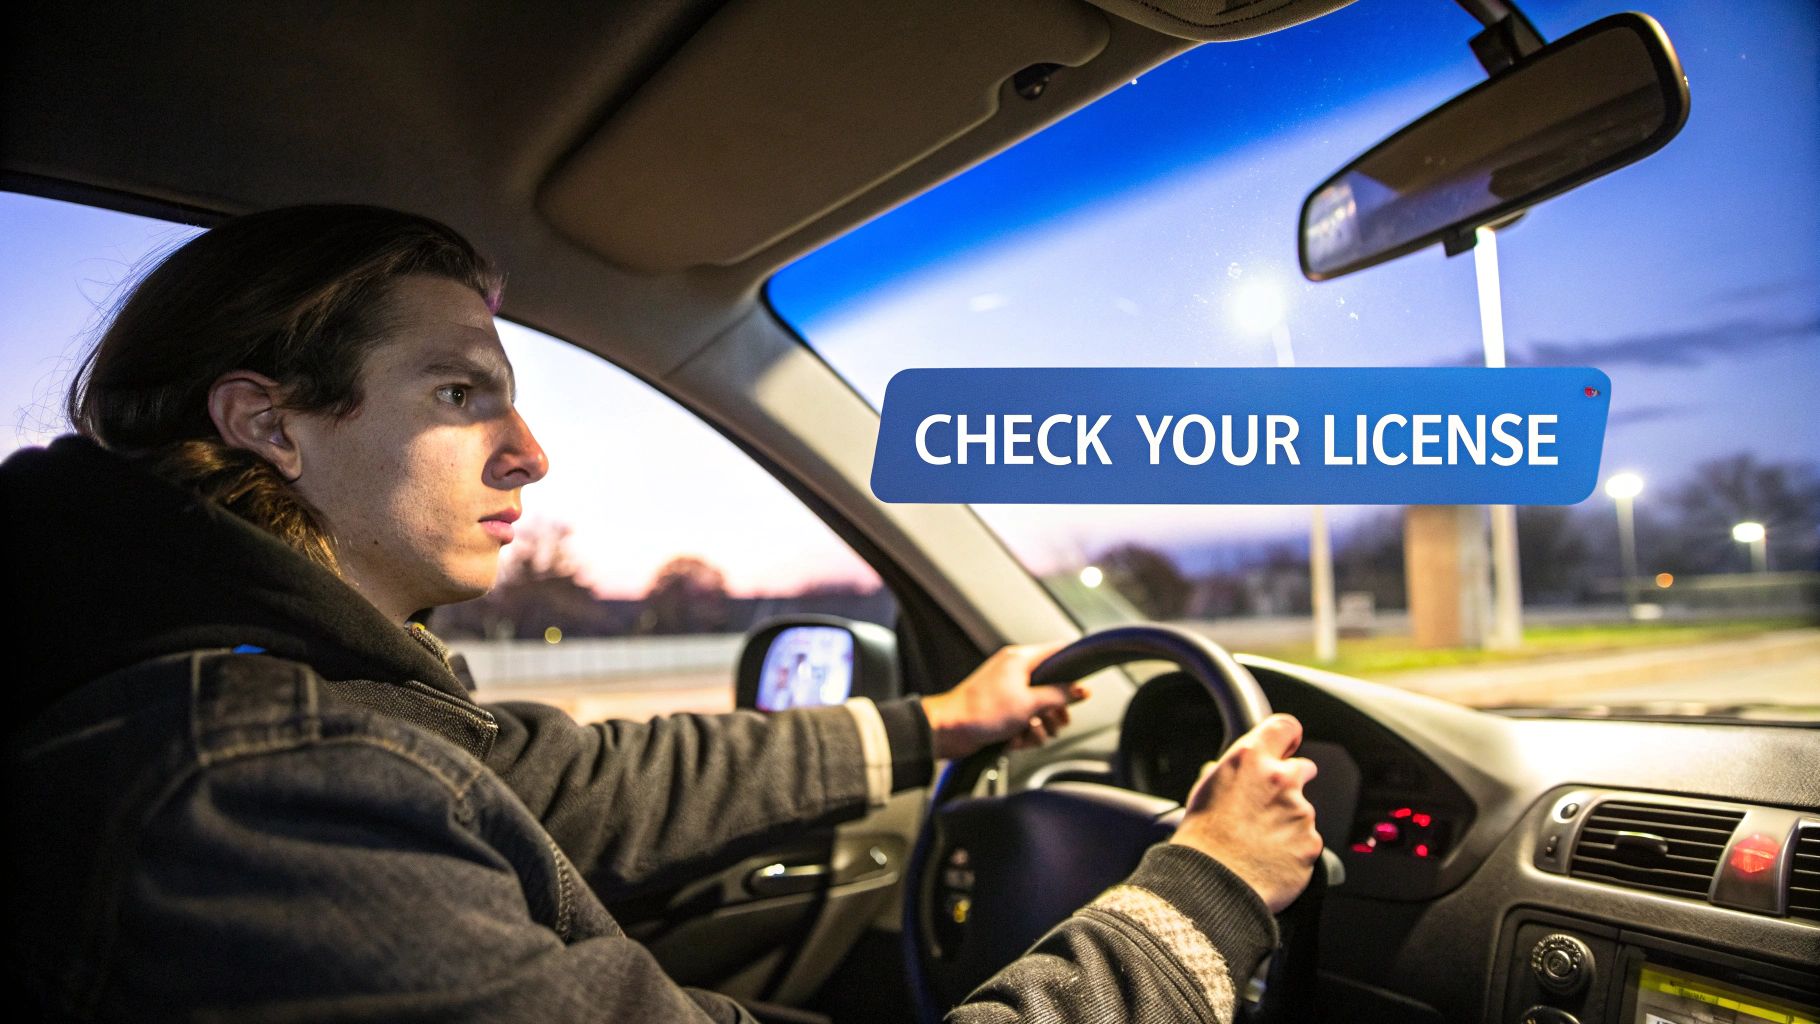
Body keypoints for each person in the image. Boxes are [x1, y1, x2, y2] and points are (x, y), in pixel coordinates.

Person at [3, 205, 1322, 1022]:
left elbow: (576, 783)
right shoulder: (244, 793)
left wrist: (943, 721)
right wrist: (1199, 897)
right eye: (461, 391)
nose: (529, 449)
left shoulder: (275, 698)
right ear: (266, 422)